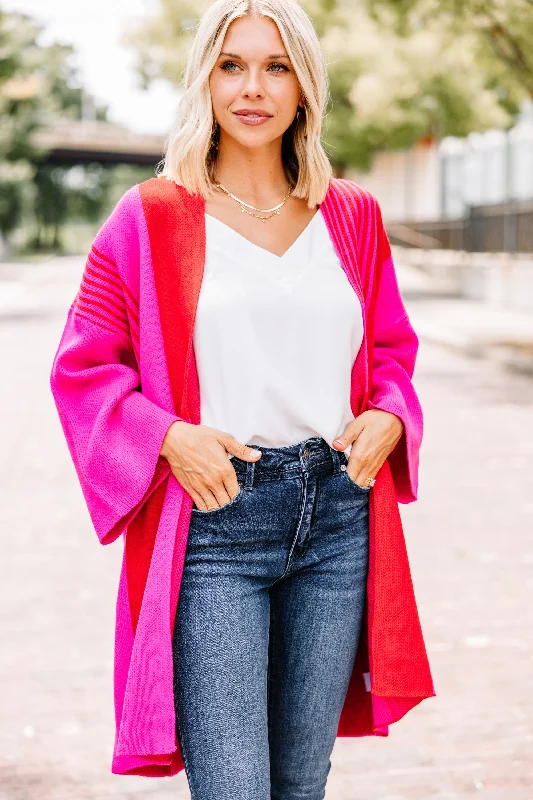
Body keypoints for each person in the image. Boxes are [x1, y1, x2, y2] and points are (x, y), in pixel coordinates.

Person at [49, 1, 435, 798]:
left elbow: (390, 349)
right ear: (204, 79)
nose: (251, 87)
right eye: (231, 64)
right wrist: (164, 436)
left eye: (275, 65)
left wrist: (390, 414)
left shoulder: (352, 216)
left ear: (304, 85)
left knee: (300, 784)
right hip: (215, 525)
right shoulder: (151, 216)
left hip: (336, 518)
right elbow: (84, 369)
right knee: (233, 787)